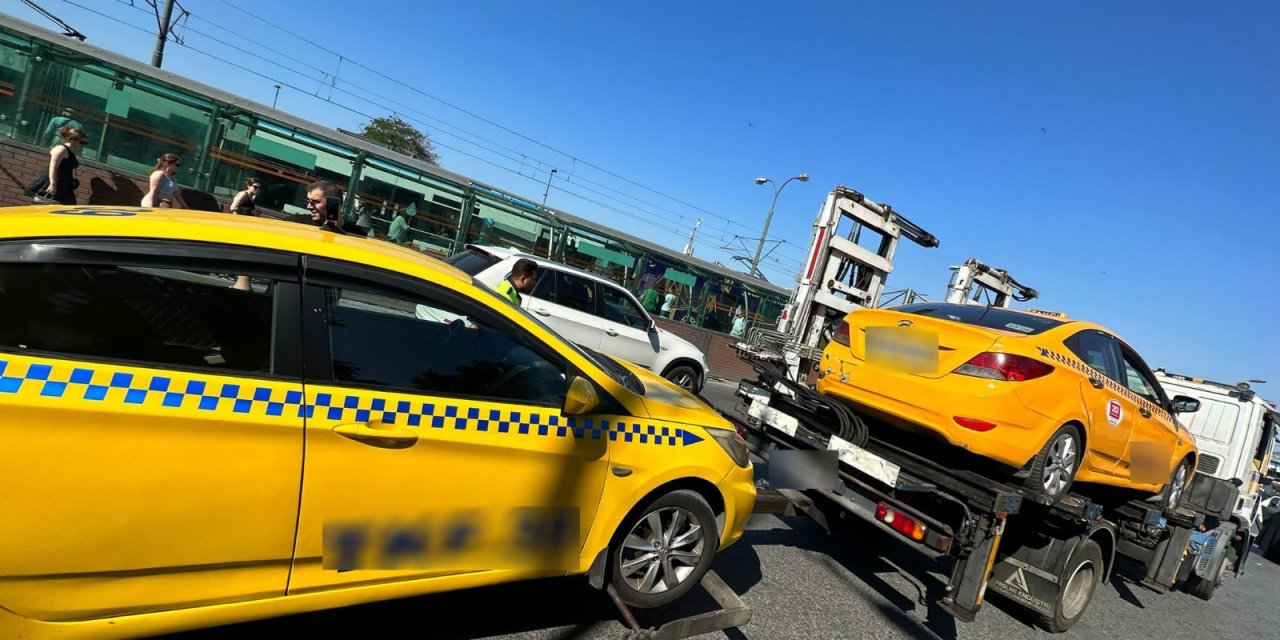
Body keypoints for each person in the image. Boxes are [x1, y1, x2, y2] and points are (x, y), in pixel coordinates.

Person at [39, 126, 87, 205]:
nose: (83, 145)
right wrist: (52, 184)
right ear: (73, 140)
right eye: (82, 142)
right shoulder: (61, 149)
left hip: (65, 185)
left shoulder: (70, 151)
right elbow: (53, 167)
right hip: (57, 183)